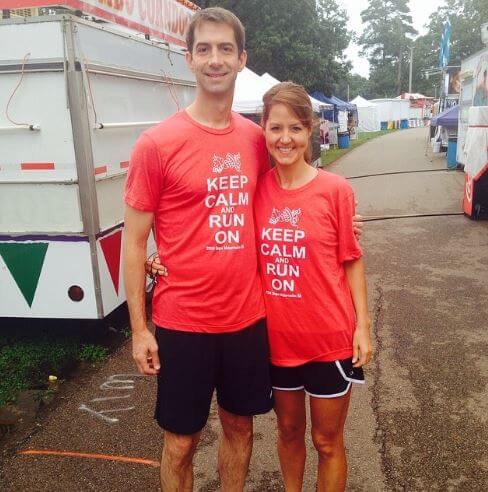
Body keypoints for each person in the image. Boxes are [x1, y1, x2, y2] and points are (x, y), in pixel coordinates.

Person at [126, 7, 363, 492]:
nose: (215, 59)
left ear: (241, 59)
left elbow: (294, 191)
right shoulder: (157, 144)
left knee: (240, 429)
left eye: (225, 49)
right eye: (205, 49)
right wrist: (138, 329)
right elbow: (134, 243)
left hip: (248, 322)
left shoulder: (258, 140)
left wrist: (343, 220)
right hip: (183, 322)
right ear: (188, 58)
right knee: (180, 443)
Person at [256, 82, 372, 491]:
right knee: (287, 433)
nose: (285, 139)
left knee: (326, 441)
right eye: (275, 128)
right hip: (278, 343)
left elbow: (352, 259)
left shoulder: (335, 190)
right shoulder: (257, 191)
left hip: (330, 340)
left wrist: (363, 327)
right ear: (264, 131)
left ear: (310, 131)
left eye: (295, 129)